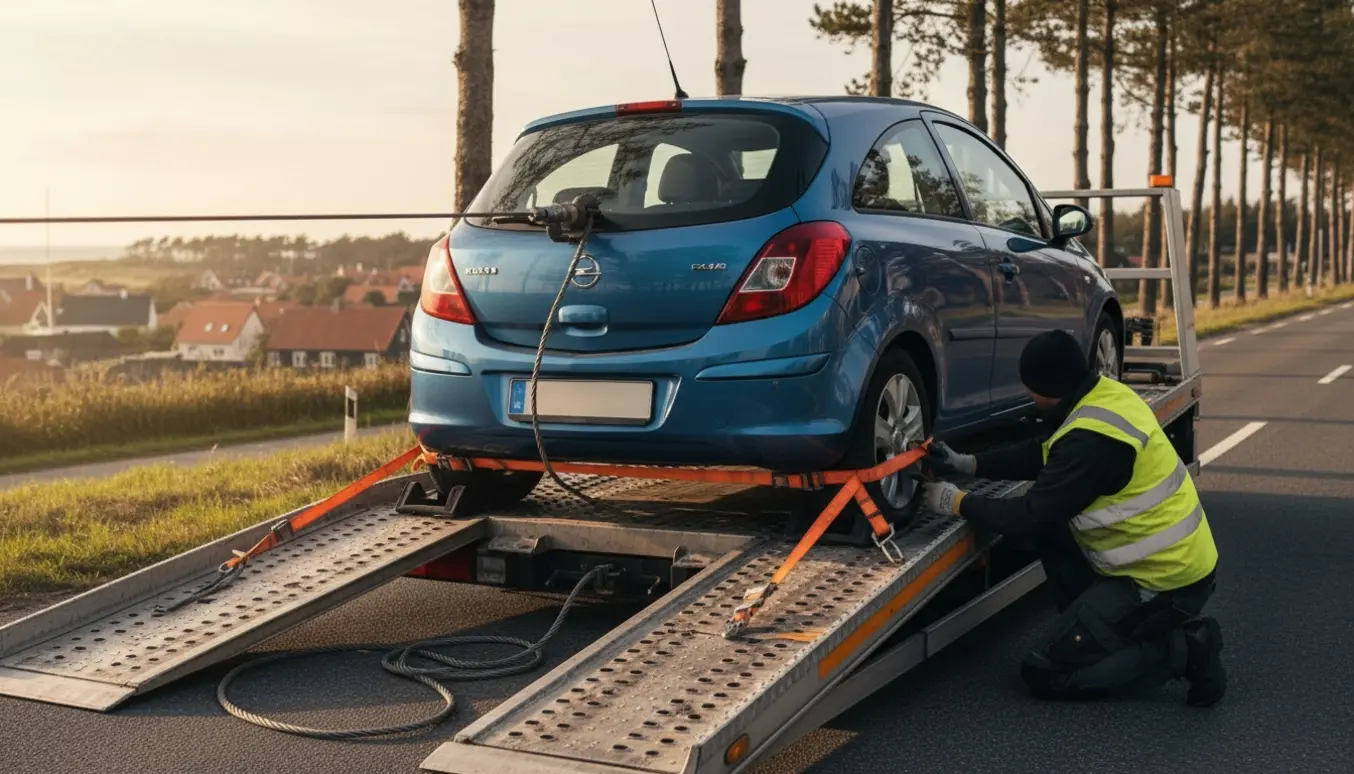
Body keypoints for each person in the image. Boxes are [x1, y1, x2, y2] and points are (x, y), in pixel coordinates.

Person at [919, 329, 1226, 707]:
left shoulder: (1091, 444)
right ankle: (1096, 626)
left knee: (1046, 672)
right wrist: (969, 463)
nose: (1028, 395)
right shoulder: (1103, 397)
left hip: (1165, 582)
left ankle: (1185, 648)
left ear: (1049, 389)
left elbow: (1030, 515)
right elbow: (1043, 453)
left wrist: (955, 501)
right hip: (1166, 565)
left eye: (1031, 387)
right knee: (1051, 535)